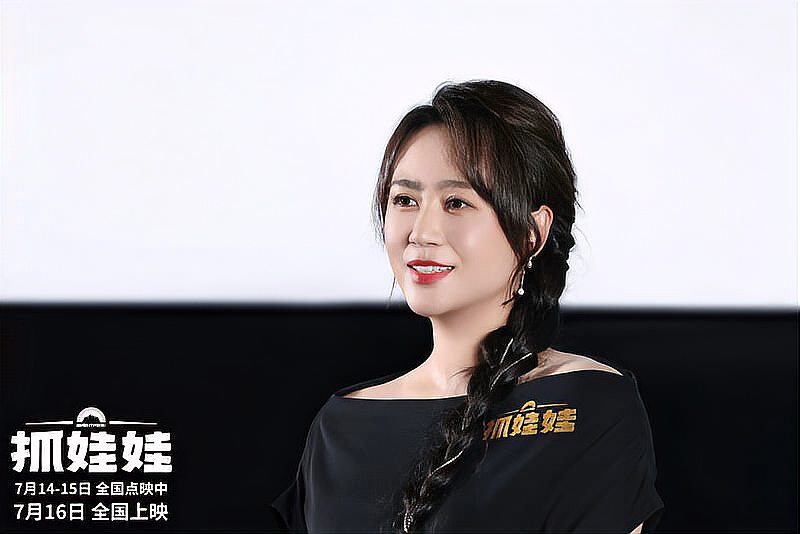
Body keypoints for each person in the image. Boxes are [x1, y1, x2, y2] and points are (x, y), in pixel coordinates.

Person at [270, 79, 665, 533]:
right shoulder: (339, 426)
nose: (421, 231)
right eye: (405, 200)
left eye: (456, 202)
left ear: (532, 233)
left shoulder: (586, 403)